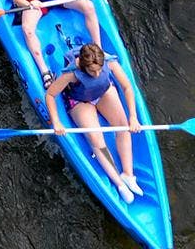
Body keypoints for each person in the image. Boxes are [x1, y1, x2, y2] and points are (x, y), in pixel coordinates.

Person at [44, 44, 145, 203]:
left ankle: (128, 174)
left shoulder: (109, 61)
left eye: (99, 70)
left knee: (124, 127)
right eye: (92, 71)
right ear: (83, 67)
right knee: (96, 139)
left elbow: (126, 87)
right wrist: (56, 121)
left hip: (103, 92)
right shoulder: (72, 73)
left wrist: (133, 116)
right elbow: (50, 95)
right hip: (80, 100)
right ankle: (119, 184)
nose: (97, 74)